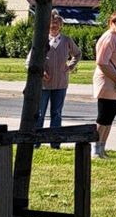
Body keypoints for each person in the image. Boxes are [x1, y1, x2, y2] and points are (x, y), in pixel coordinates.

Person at [30, 11, 81, 147]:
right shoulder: (41, 40)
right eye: (52, 24)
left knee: (57, 114)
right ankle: (36, 142)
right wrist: (40, 72)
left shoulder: (66, 40)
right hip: (44, 85)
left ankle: (55, 143)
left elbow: (77, 53)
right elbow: (29, 61)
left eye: (57, 24)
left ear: (61, 26)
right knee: (39, 114)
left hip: (61, 84)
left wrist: (70, 66)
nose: (54, 26)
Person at [91, 10, 116, 159]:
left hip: (114, 83)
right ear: (111, 22)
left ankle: (102, 147)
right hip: (108, 82)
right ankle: (95, 148)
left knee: (110, 116)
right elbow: (102, 63)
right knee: (103, 116)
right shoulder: (108, 38)